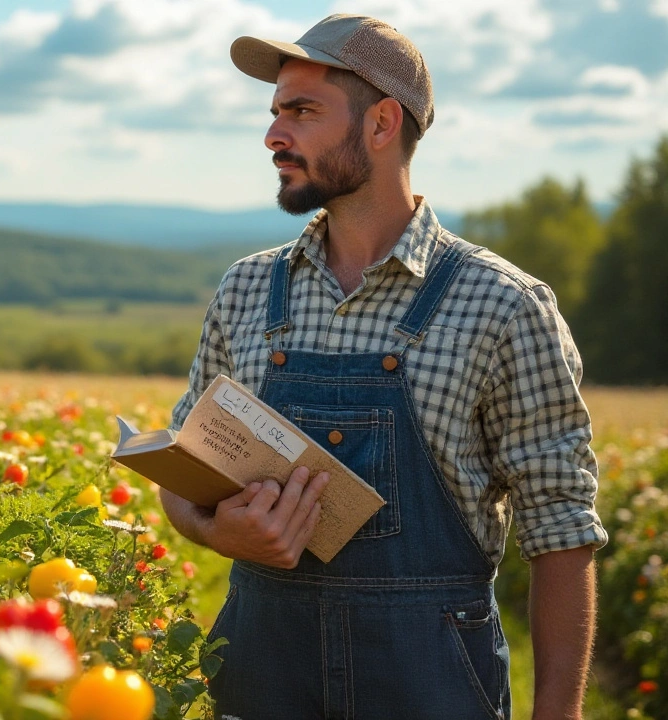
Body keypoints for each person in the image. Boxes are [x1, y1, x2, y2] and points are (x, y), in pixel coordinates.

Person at [159, 14, 607, 720]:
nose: (274, 135)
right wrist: (216, 532)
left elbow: (562, 529)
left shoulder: (503, 305)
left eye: (302, 111)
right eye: (276, 111)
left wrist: (559, 711)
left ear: (382, 123)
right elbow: (182, 468)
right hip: (258, 684)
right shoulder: (246, 289)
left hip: (430, 691)